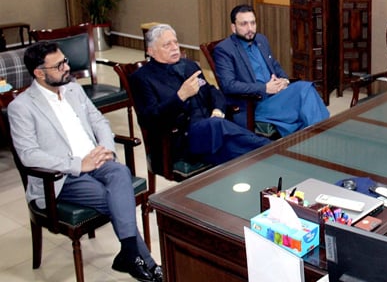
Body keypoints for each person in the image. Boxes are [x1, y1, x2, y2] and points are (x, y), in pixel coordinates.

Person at [7, 41, 162, 282]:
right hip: (62, 177)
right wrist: (79, 164)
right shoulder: (22, 107)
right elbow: (29, 155)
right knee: (114, 199)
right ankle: (150, 267)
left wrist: (106, 149)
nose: (67, 67)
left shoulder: (73, 89)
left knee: (120, 172)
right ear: (39, 73)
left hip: (97, 161)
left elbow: (99, 121)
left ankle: (130, 255)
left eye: (65, 61)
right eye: (59, 65)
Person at [130, 24, 270, 165]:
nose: (174, 47)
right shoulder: (142, 78)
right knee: (222, 129)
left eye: (175, 42)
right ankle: (273, 148)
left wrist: (217, 109)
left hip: (213, 133)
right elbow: (149, 119)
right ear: (151, 51)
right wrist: (180, 97)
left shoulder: (189, 66)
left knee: (243, 154)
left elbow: (213, 91)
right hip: (182, 138)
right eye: (167, 45)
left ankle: (272, 155)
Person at [213, 4, 330, 137]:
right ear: (233, 27)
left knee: (306, 99)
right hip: (256, 104)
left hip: (277, 95)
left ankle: (317, 134)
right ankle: (323, 134)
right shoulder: (224, 49)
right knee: (304, 90)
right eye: (244, 24)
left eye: (253, 23)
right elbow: (229, 85)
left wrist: (284, 80)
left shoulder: (261, 40)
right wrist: (264, 88)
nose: (250, 29)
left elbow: (274, 65)